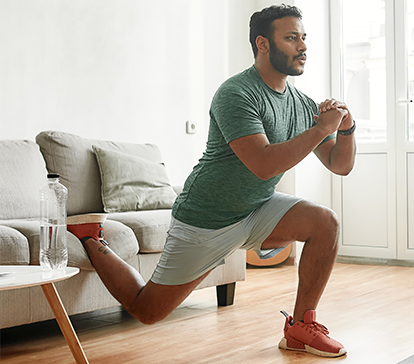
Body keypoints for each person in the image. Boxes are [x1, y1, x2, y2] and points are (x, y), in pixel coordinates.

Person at [67, 4, 356, 358]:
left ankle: (300, 328)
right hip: (206, 218)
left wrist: (346, 130)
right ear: (263, 44)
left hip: (257, 208)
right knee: (147, 310)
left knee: (325, 222)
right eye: (292, 38)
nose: (303, 47)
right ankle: (94, 240)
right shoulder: (236, 93)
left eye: (304, 38)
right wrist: (321, 128)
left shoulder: (301, 104)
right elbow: (262, 165)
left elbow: (339, 165)